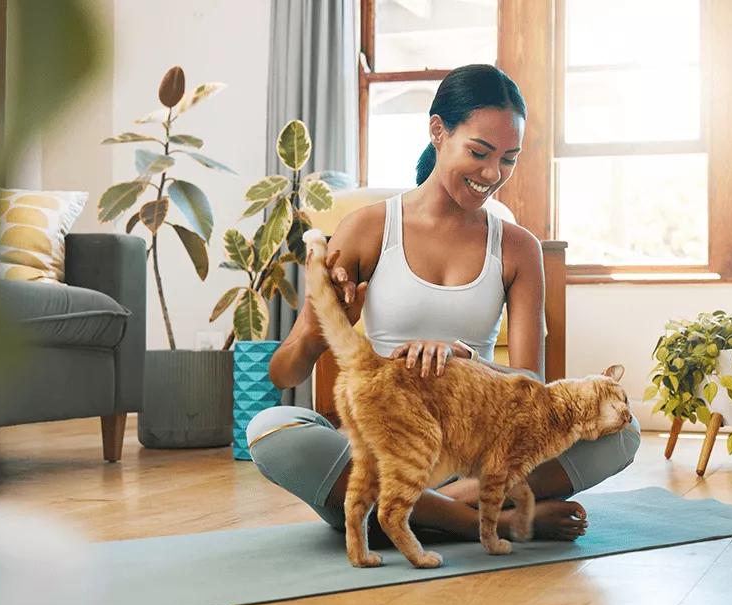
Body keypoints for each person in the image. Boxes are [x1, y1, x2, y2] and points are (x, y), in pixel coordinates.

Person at [246, 64, 640, 543]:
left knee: (621, 433)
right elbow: (283, 374)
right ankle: (479, 521)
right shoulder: (369, 229)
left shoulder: (517, 248)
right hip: (394, 442)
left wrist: (467, 360)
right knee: (273, 427)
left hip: (476, 460)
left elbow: (532, 384)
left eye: (509, 159)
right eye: (479, 152)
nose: (493, 174)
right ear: (438, 130)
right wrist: (316, 324)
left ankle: (398, 512)